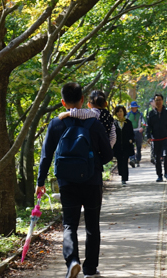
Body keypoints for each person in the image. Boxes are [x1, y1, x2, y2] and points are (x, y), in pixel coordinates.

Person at [37, 82, 113, 278]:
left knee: (69, 224)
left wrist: (40, 182)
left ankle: (72, 261)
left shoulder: (56, 123)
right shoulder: (94, 124)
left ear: (63, 102)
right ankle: (89, 268)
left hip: (67, 182)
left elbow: (46, 156)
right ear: (82, 100)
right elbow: (107, 155)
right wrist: (93, 161)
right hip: (92, 181)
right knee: (92, 225)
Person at [145, 93, 167, 182]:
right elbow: (148, 126)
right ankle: (159, 175)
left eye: (160, 100)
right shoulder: (151, 113)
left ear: (162, 101)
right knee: (157, 158)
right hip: (155, 138)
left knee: (166, 155)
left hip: (165, 137)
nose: (158, 102)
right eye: (156, 100)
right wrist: (149, 136)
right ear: (154, 101)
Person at [113, 105, 135, 185]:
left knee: (125, 161)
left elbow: (132, 134)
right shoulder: (114, 123)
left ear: (124, 112)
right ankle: (121, 174)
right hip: (117, 146)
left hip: (126, 146)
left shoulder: (128, 123)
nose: (120, 113)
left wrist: (131, 140)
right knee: (119, 161)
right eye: (118, 111)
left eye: (121, 111)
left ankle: (124, 179)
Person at [126, 101, 145, 167]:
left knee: (138, 147)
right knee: (130, 146)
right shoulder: (128, 115)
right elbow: (125, 123)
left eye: (135, 107)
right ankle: (132, 159)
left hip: (138, 132)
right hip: (130, 132)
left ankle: (138, 160)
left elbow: (144, 123)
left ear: (137, 107)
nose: (133, 108)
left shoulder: (140, 115)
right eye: (132, 107)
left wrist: (142, 128)